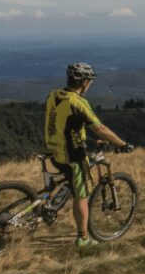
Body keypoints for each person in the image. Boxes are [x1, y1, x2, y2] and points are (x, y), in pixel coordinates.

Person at [44, 63, 133, 247]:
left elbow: (69, 125)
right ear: (84, 82)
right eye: (89, 81)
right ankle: (83, 237)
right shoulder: (78, 102)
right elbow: (99, 128)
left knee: (67, 182)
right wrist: (122, 144)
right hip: (72, 156)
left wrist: (90, 141)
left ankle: (49, 205)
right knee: (82, 195)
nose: (90, 84)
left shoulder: (54, 95)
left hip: (54, 149)